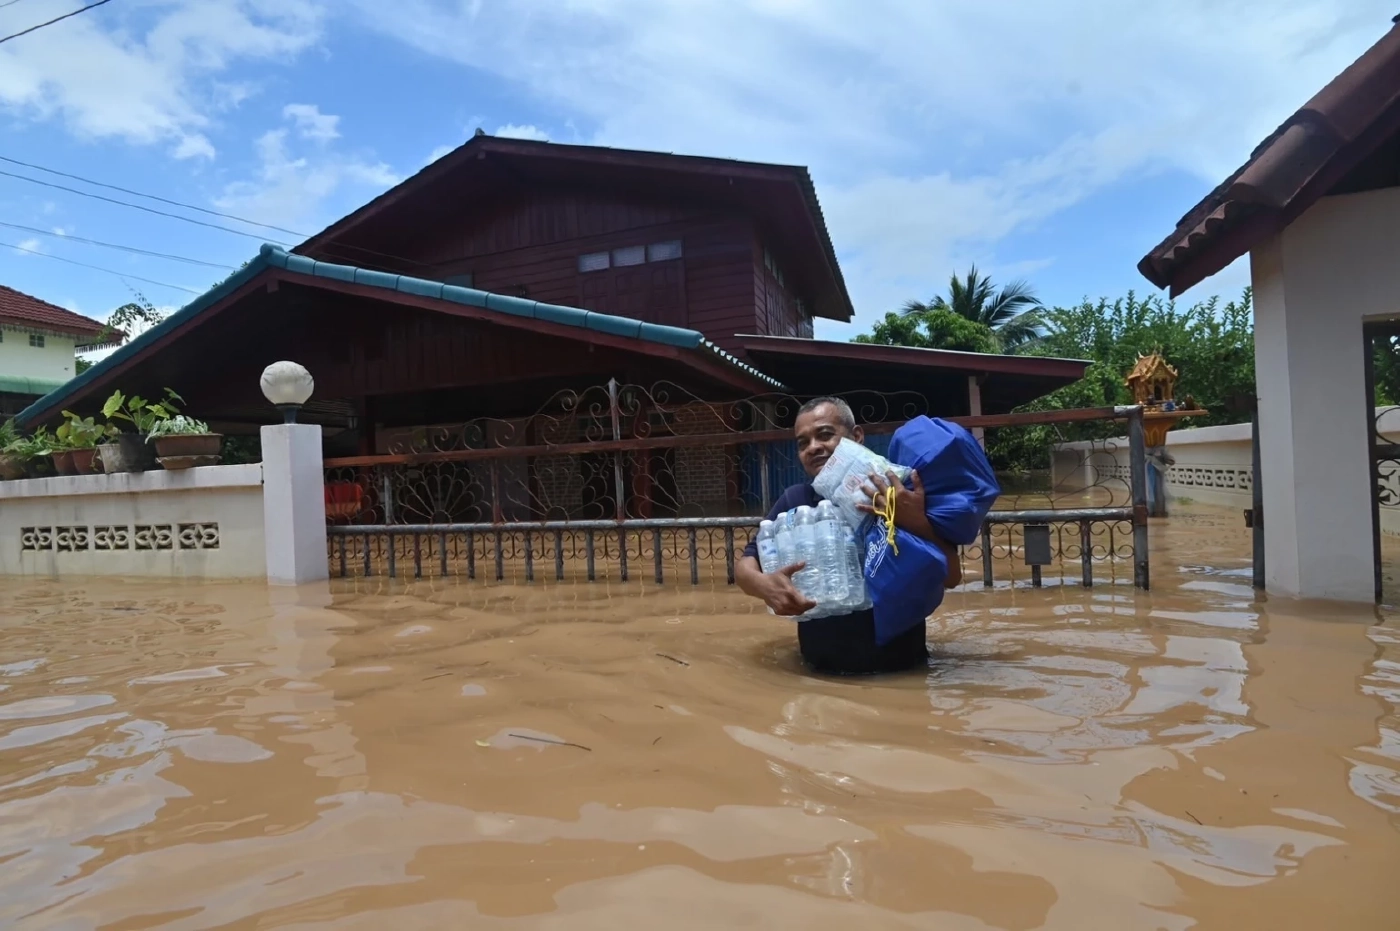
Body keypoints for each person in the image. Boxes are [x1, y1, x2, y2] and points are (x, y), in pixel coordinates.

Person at [736, 397, 963, 675]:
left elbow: (952, 577)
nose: (813, 447)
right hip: (820, 679)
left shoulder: (897, 494)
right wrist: (764, 586)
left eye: (825, 435)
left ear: (856, 437)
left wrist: (914, 522)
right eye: (803, 443)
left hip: (905, 671)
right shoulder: (796, 502)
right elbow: (744, 568)